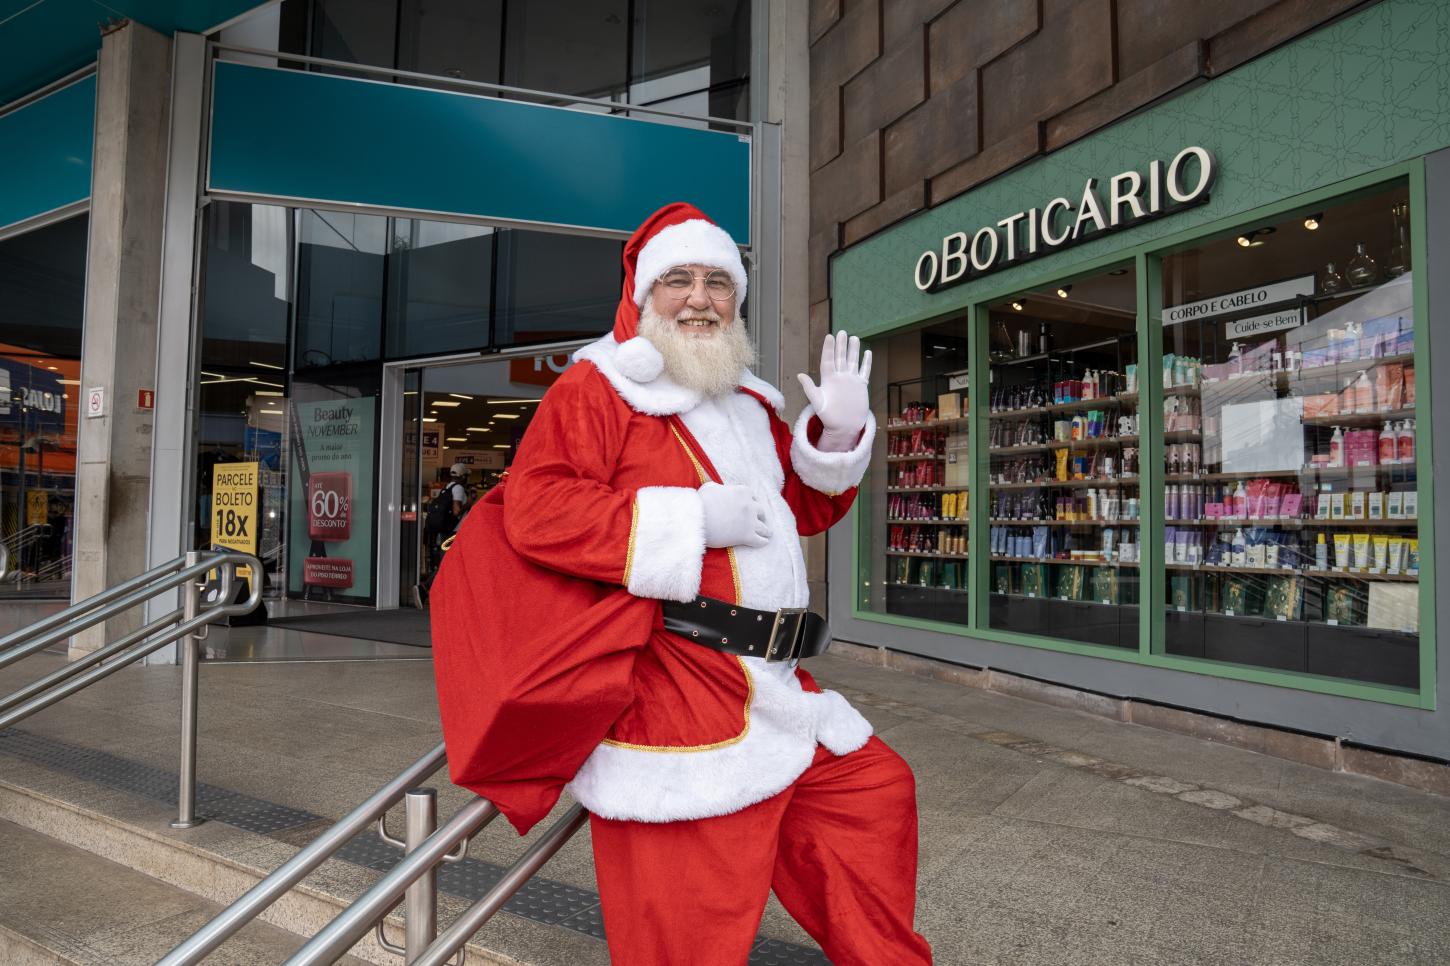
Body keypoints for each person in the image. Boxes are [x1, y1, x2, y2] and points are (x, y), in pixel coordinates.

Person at [431, 203, 931, 965]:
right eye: (679, 280)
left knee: (871, 793)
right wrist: (690, 518)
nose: (700, 299)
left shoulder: (746, 400)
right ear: (643, 295)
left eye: (717, 283)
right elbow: (539, 509)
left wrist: (834, 434)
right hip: (676, 684)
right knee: (688, 923)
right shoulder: (598, 387)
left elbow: (804, 509)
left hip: (778, 682)